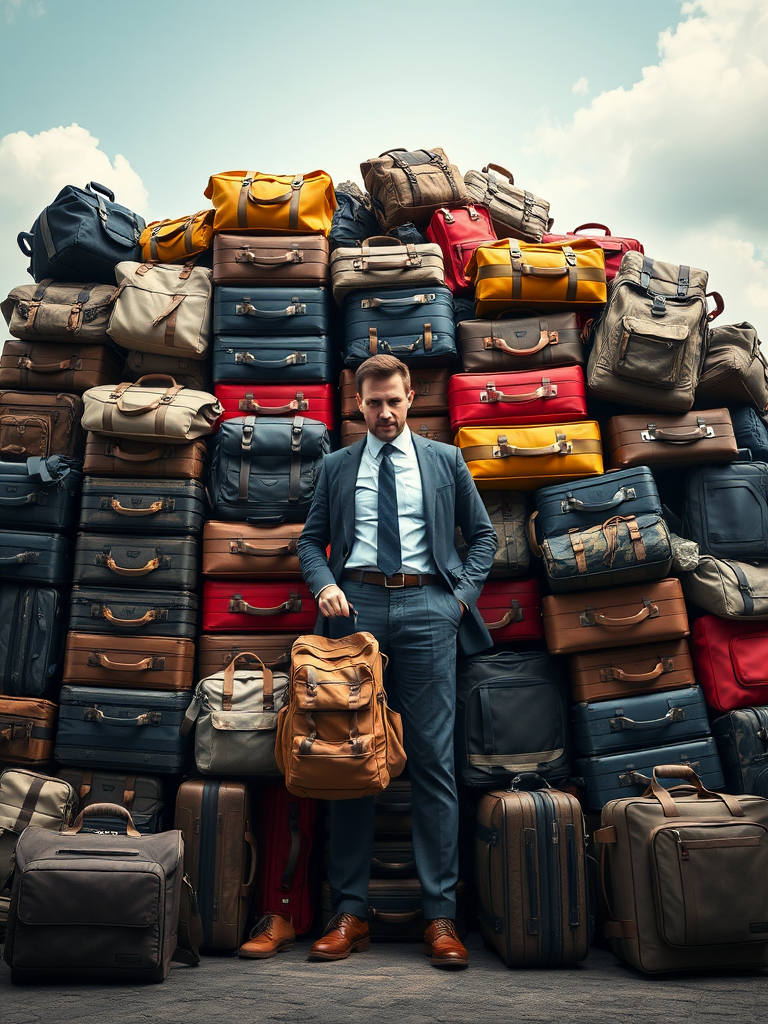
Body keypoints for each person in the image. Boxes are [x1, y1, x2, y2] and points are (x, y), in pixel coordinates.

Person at [294, 353, 496, 969]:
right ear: (357, 403)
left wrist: (458, 601)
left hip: (430, 609)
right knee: (354, 758)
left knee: (434, 762)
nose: (384, 412)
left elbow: (482, 537)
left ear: (412, 398)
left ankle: (441, 918)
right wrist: (324, 581)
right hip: (355, 613)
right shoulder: (335, 466)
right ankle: (350, 913)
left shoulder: (444, 461)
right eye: (373, 402)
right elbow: (309, 541)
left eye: (395, 401)